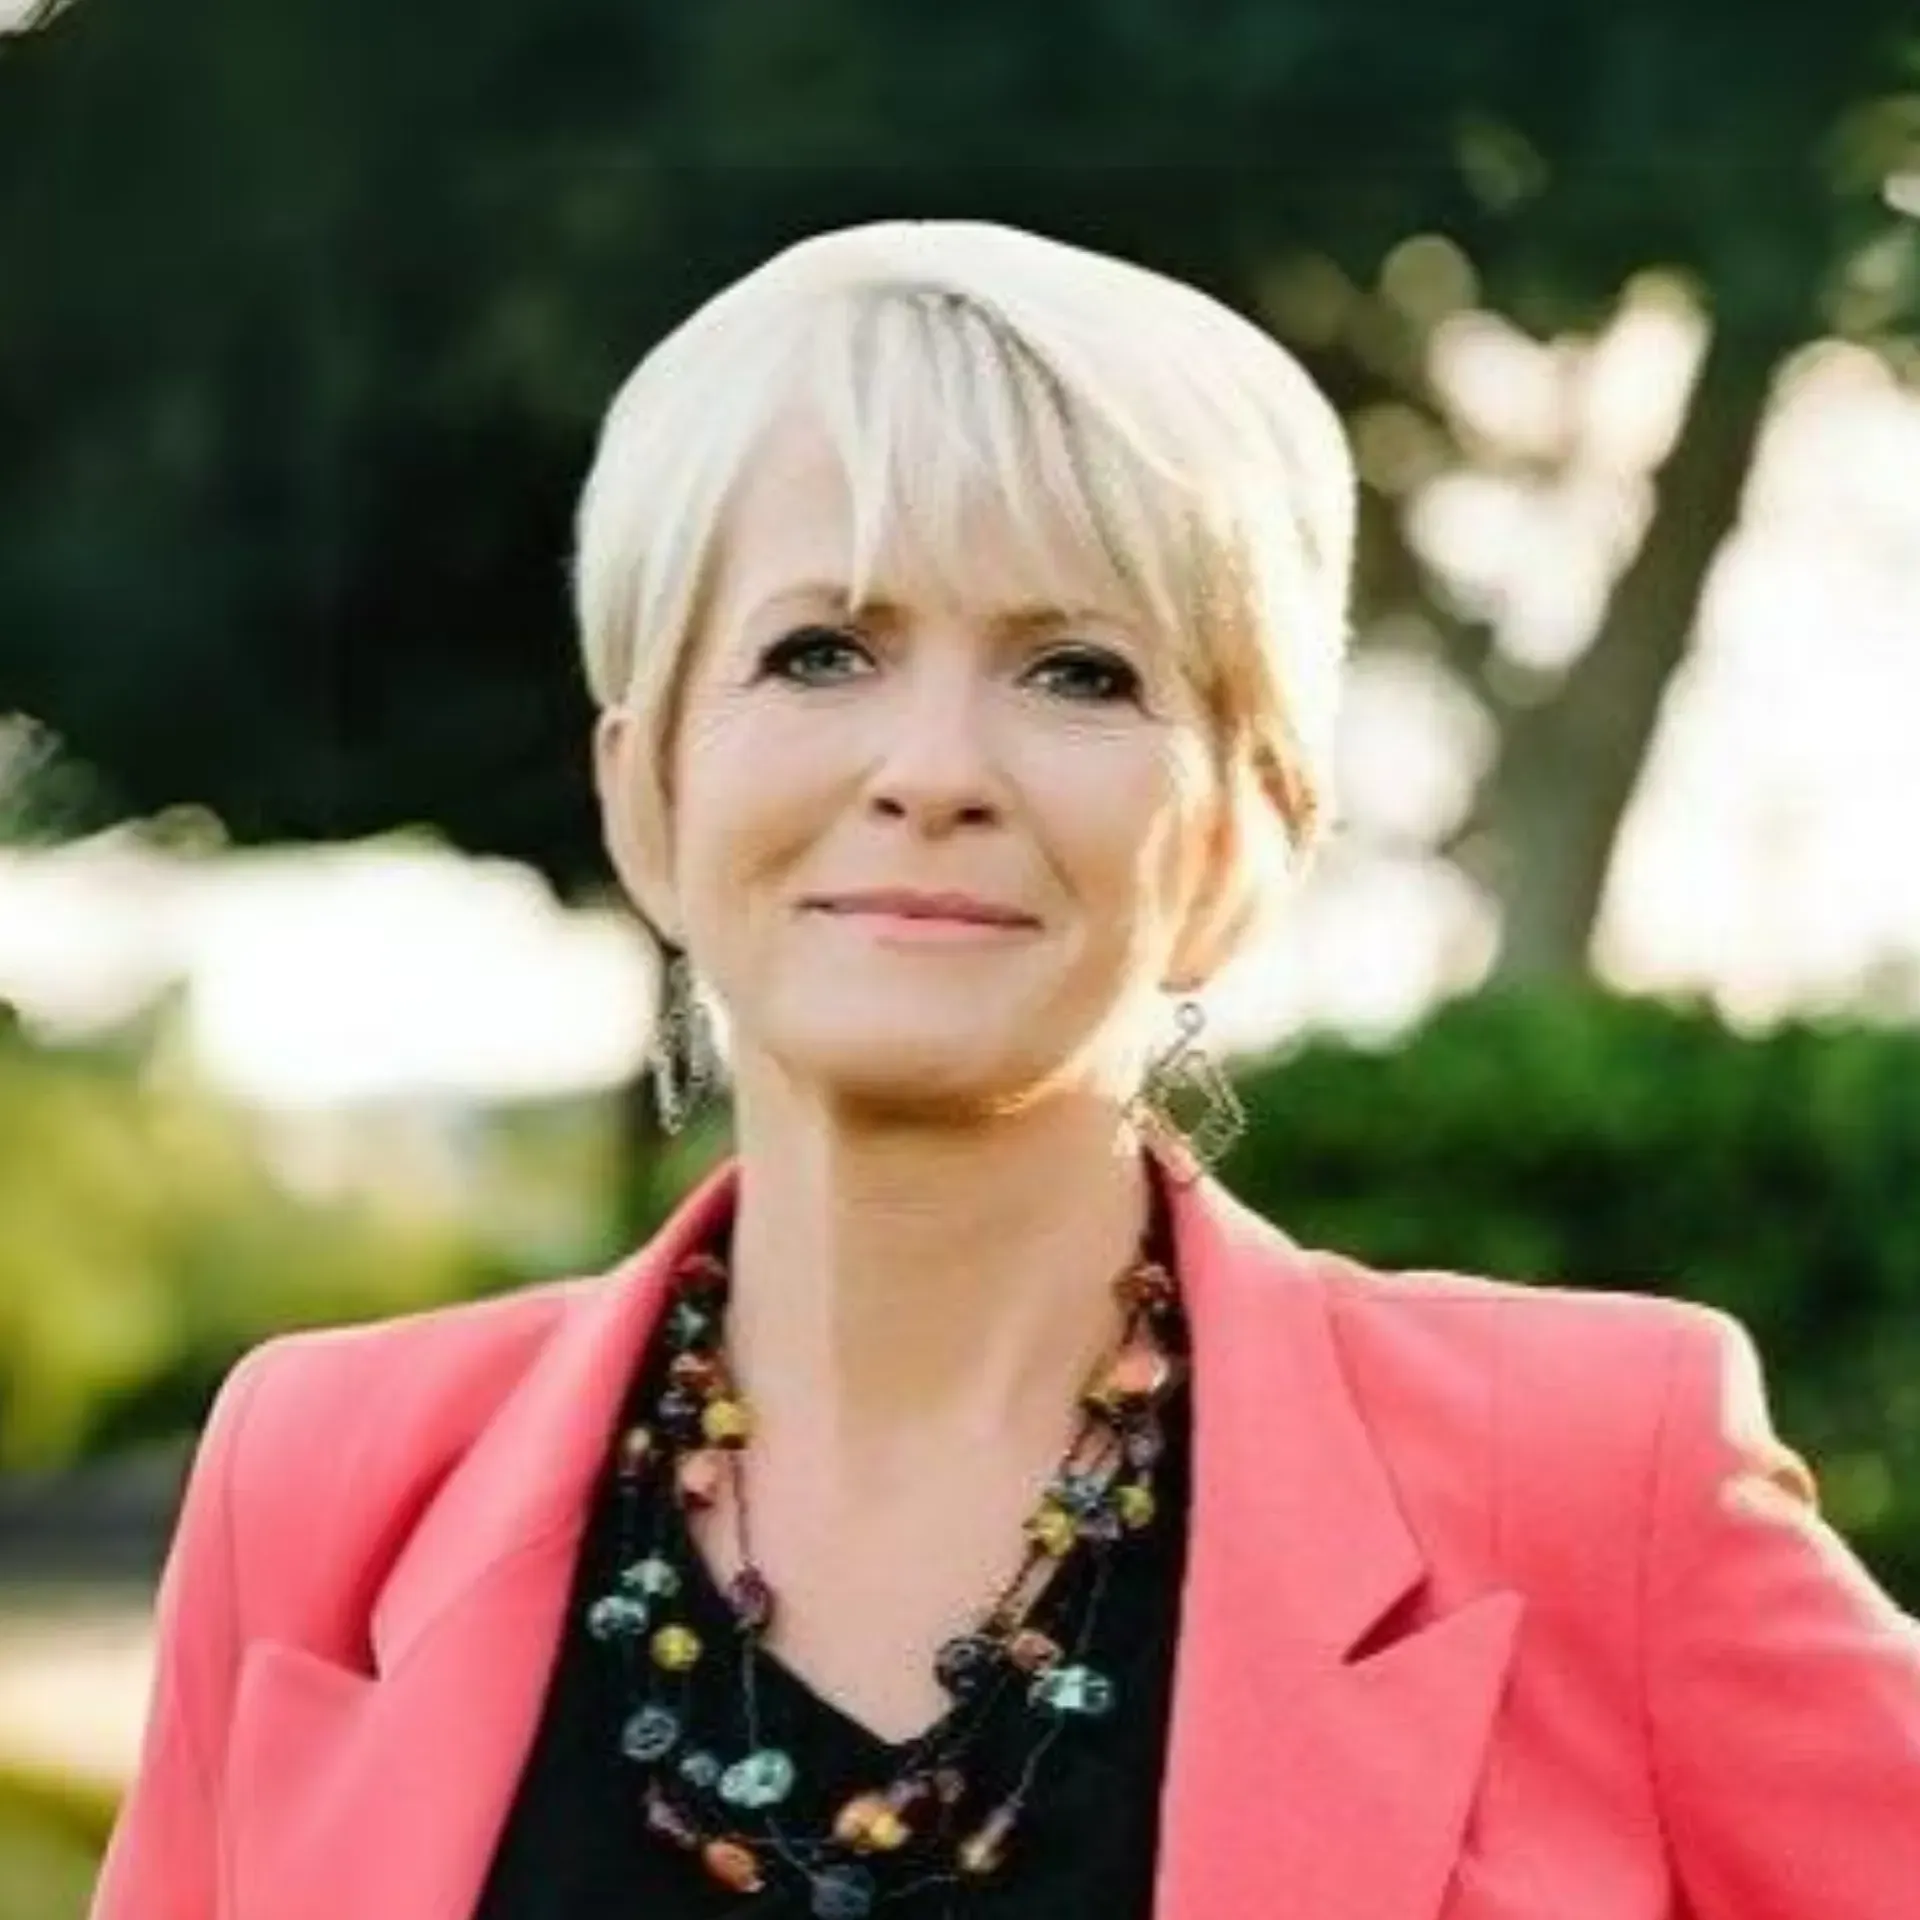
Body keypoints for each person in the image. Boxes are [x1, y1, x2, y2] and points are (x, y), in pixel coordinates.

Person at [91, 219, 1920, 1920]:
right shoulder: (323, 1476)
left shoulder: (1595, 1475)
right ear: (648, 789)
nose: (935, 767)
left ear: (1246, 836)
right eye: (822, 651)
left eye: (1079, 673)